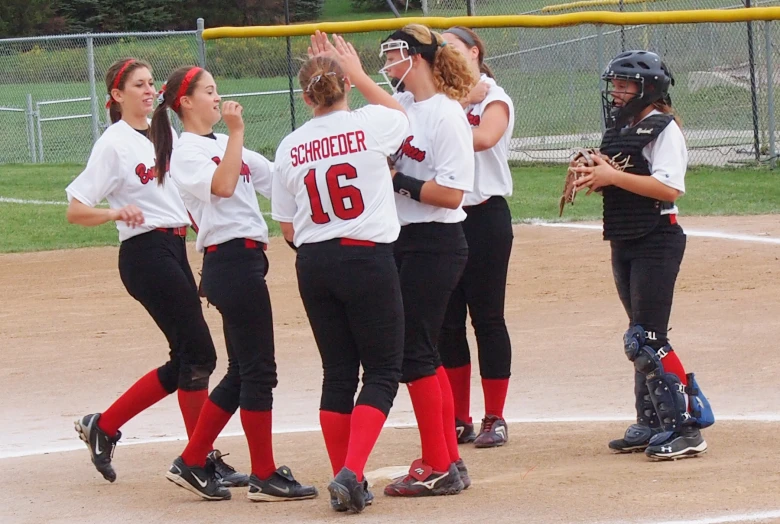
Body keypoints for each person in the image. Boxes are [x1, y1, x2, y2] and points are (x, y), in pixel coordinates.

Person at [67, 58, 246, 487]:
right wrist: (114, 211)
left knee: (187, 358)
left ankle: (107, 426)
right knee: (199, 355)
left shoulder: (161, 135)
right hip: (144, 253)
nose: (149, 91)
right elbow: (76, 209)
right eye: (139, 85)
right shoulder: (114, 143)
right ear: (116, 95)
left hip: (172, 247)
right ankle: (196, 460)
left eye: (151, 84)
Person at [150, 65, 317, 500]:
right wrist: (238, 132)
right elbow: (223, 185)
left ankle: (192, 460)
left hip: (247, 260)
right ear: (185, 103)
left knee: (244, 370)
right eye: (208, 91)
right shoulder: (185, 152)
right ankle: (263, 473)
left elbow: (280, 177)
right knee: (260, 370)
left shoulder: (222, 142)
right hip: (228, 261)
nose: (217, 97)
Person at [272, 31, 409, 513]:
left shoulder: (289, 146)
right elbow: (401, 114)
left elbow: (288, 226)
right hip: (366, 257)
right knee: (384, 370)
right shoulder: (370, 122)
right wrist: (356, 73)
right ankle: (352, 473)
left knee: (337, 373)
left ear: (305, 96)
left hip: (313, 262)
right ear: (344, 86)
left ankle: (342, 480)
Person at [573, 50, 714, 460]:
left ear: (647, 89)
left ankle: (685, 428)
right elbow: (626, 178)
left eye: (623, 85)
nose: (615, 92)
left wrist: (612, 175)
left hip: (658, 238)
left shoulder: (663, 129)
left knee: (648, 339)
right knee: (640, 334)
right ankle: (652, 420)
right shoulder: (622, 128)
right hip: (626, 236)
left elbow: (669, 189)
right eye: (614, 84)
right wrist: (600, 174)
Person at [378, 23, 476, 497]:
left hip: (435, 241)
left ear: (417, 58)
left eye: (394, 53)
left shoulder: (444, 113)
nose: (387, 63)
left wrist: (399, 180)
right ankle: (448, 459)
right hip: (407, 240)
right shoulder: (407, 110)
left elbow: (452, 193)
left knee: (412, 354)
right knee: (423, 352)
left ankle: (437, 464)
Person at [439, 26, 515, 449]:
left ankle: (495, 416)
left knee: (487, 318)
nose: (443, 56)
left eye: (452, 48)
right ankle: (458, 418)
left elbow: (485, 138)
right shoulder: (432, 102)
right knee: (447, 324)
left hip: (485, 216)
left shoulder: (493, 97)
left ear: (474, 51)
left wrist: (439, 126)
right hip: (442, 219)